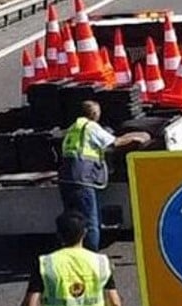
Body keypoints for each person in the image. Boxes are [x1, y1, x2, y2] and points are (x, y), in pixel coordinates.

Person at [58, 100, 149, 251]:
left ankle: (73, 253)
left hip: (66, 179)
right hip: (83, 180)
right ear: (94, 114)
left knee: (72, 221)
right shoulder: (90, 127)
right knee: (90, 222)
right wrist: (135, 137)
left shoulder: (72, 129)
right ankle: (91, 255)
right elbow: (114, 143)